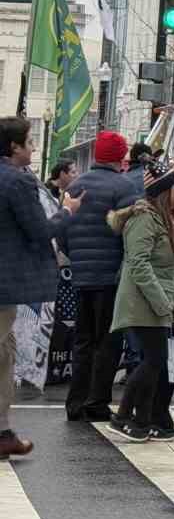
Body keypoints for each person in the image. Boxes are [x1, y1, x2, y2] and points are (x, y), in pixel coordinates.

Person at [0, 116, 80, 457]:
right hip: (5, 283)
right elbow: (38, 230)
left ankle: (3, 432)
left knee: (6, 353)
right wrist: (66, 210)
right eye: (30, 141)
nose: (34, 147)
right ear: (14, 146)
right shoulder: (17, 182)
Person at [107, 156, 174, 441]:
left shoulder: (169, 222)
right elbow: (138, 264)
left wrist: (172, 307)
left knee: (155, 362)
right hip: (141, 302)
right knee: (153, 361)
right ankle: (123, 417)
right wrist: (161, 303)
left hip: (157, 303)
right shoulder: (144, 219)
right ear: (164, 192)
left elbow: (171, 273)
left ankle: (143, 421)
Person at [60, 131, 137, 423]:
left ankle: (75, 402)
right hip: (111, 276)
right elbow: (131, 234)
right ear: (119, 157)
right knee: (107, 341)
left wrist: (78, 258)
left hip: (81, 275)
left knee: (82, 340)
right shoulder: (124, 186)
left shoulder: (76, 185)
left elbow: (64, 232)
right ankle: (96, 401)